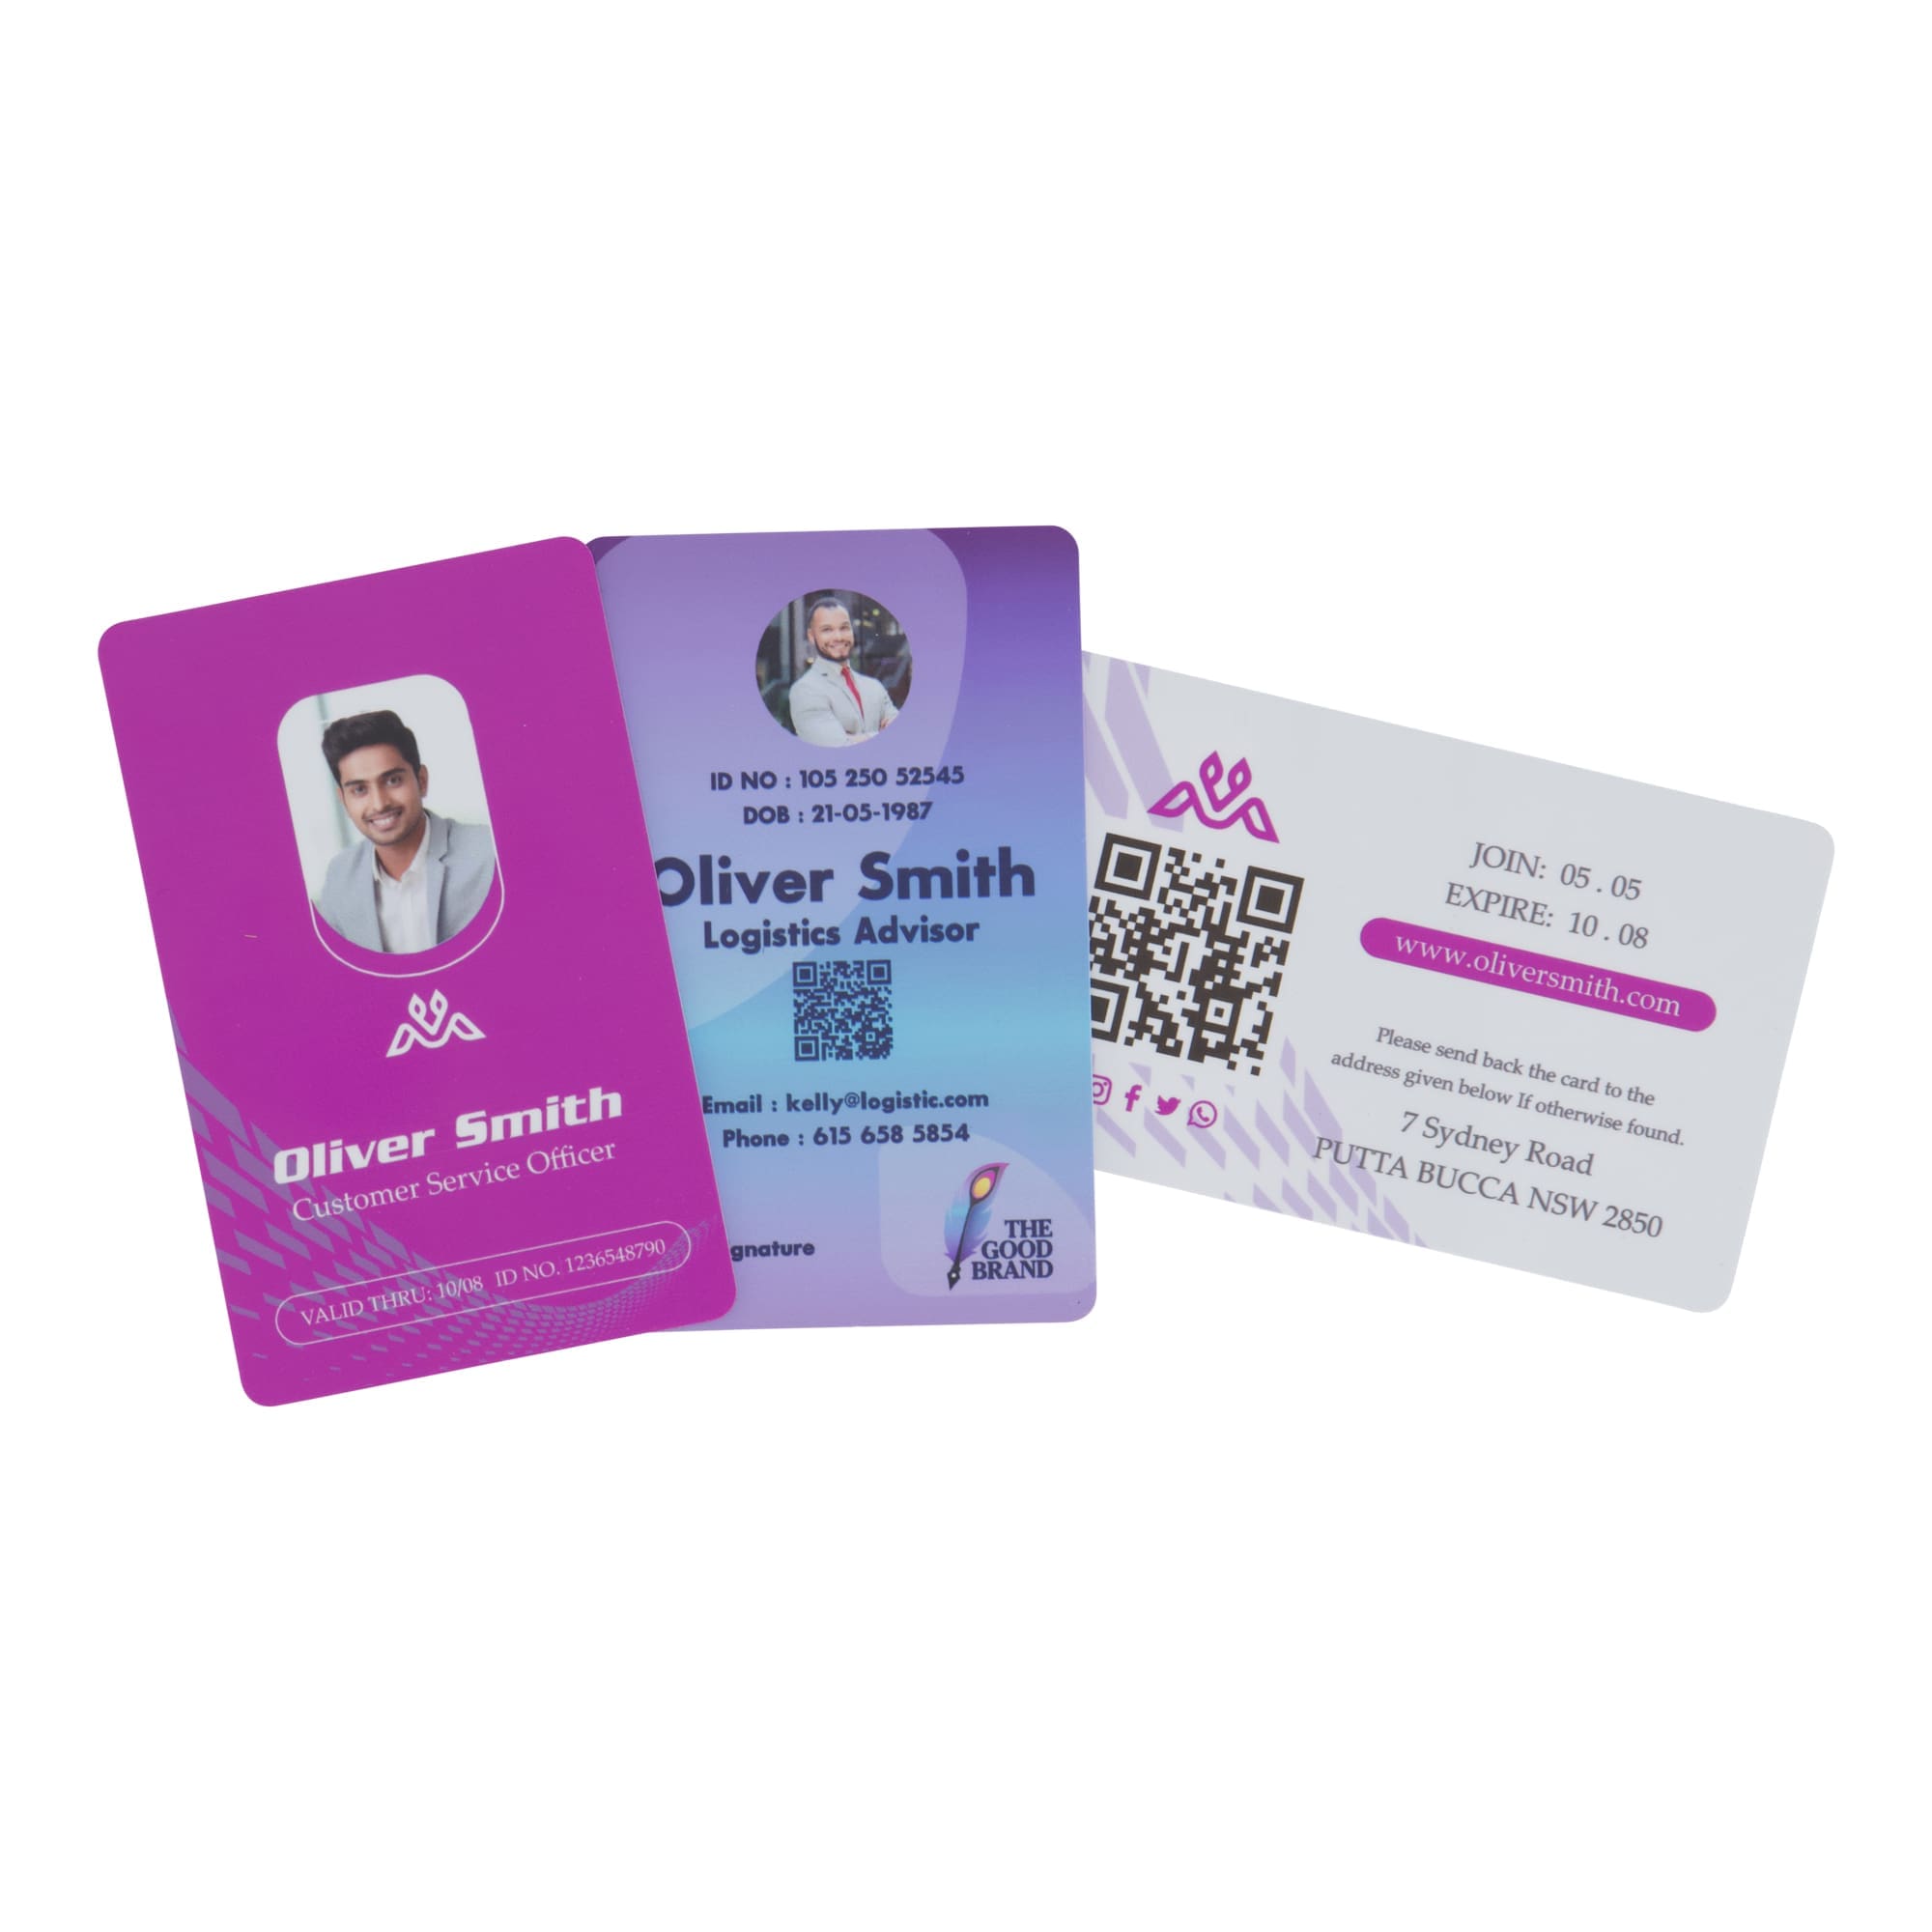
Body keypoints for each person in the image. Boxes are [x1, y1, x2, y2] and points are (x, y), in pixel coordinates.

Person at [314, 710, 497, 952]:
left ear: (422, 781)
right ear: (343, 800)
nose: (379, 804)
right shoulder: (339, 877)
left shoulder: (490, 855)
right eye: (359, 790)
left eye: (393, 781)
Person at [787, 597, 899, 746]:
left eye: (844, 628)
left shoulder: (874, 687)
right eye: (827, 630)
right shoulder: (805, 690)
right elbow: (837, 746)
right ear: (811, 636)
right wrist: (881, 734)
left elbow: (902, 735)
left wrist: (854, 738)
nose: (838, 637)